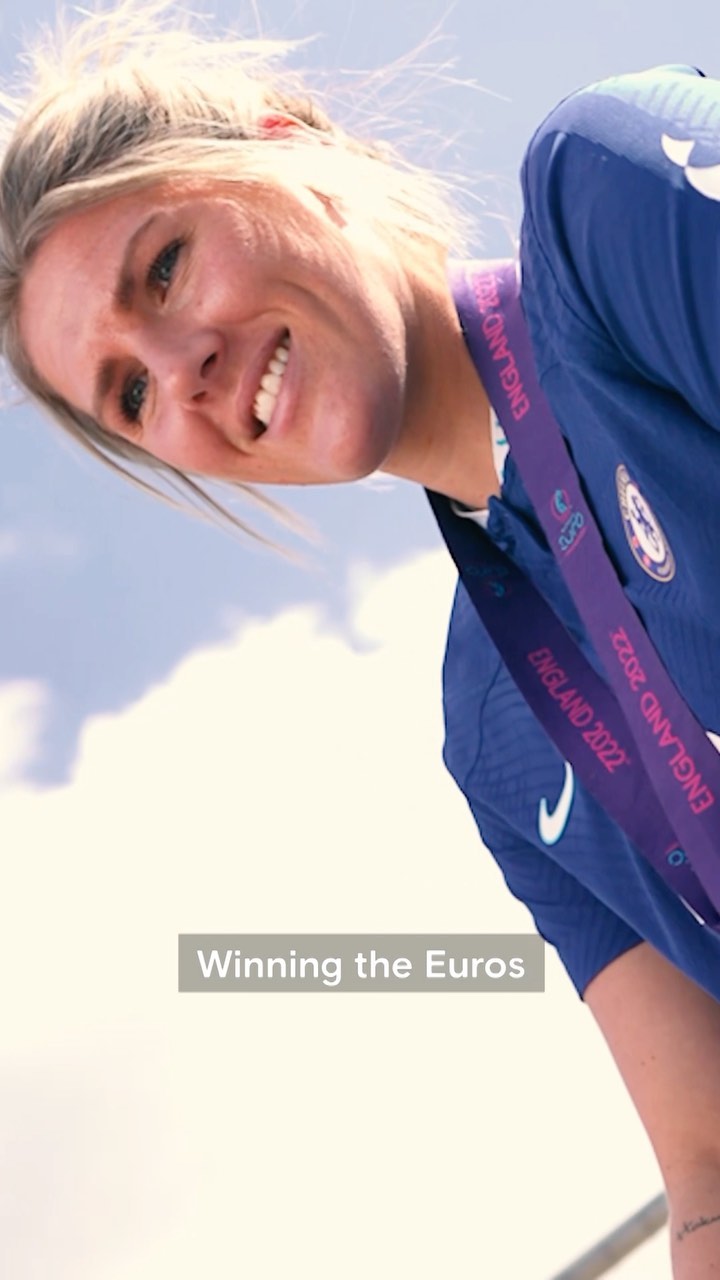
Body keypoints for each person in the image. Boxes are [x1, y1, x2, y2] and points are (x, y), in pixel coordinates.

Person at [2, 4, 720, 1274]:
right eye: (130, 392)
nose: (180, 367)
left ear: (293, 153)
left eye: (162, 269)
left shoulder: (606, 192)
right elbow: (707, 1166)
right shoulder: (490, 726)